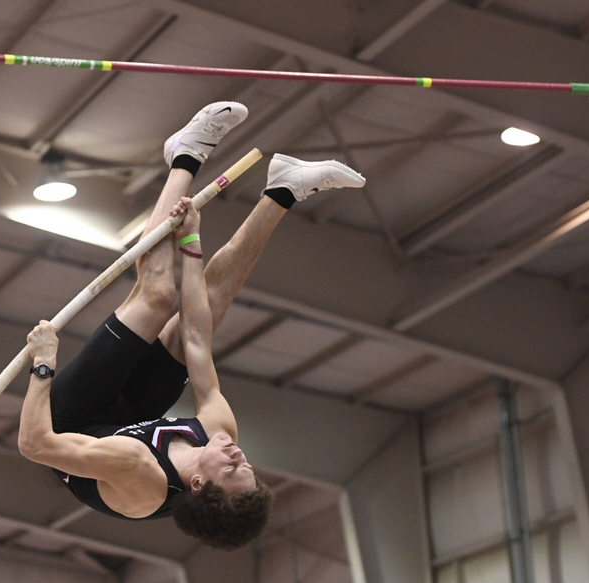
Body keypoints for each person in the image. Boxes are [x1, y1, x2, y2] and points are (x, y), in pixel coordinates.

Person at [18, 101, 364, 550]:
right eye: (249, 469)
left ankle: (186, 153)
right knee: (207, 310)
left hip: (71, 423)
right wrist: (191, 245)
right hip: (134, 419)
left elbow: (35, 444)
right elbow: (198, 336)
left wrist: (43, 364)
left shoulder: (140, 475)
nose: (241, 457)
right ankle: (284, 189)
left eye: (233, 470)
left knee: (156, 296)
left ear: (199, 484)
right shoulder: (218, 434)